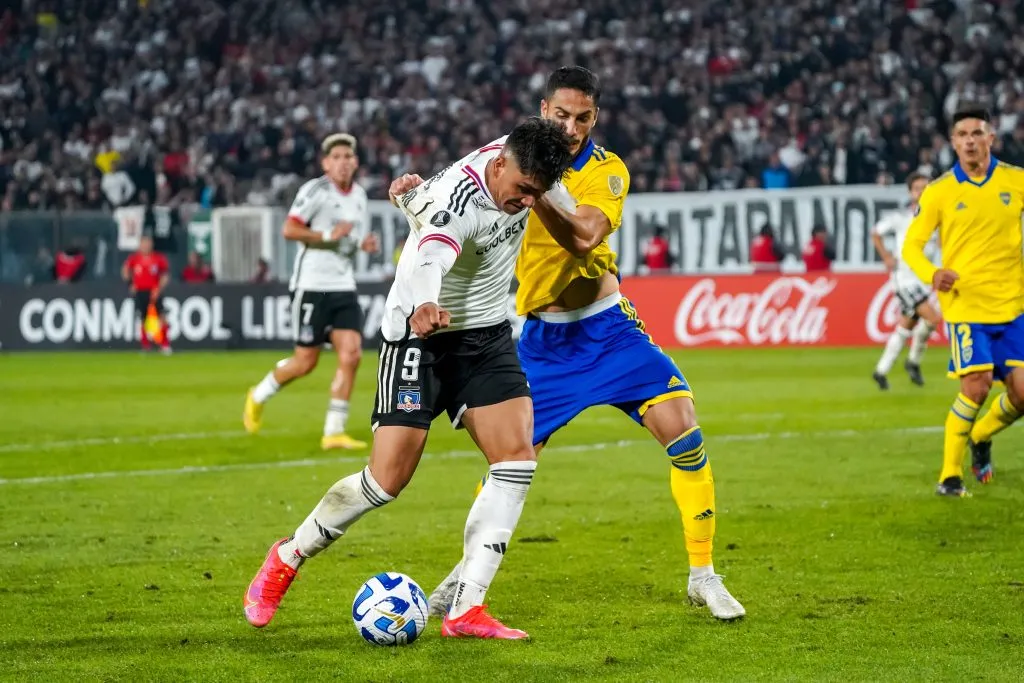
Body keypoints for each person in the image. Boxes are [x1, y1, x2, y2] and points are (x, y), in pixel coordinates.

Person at [429, 66, 745, 621]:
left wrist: (539, 187)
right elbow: (453, 208)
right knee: (510, 463)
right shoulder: (505, 158)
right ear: (541, 108)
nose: (572, 127)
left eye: (583, 117)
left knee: (685, 432)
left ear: (595, 117)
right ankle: (463, 577)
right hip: (544, 343)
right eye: (561, 115)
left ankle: (704, 575)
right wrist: (416, 198)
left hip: (609, 329)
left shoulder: (606, 170)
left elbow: (583, 238)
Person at [242, 118, 575, 639]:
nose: (528, 203)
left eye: (538, 193)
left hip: (484, 337)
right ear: (500, 163)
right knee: (385, 481)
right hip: (418, 335)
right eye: (522, 190)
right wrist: (425, 301)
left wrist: (409, 199)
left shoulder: (530, 166)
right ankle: (287, 555)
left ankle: (466, 610)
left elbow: (564, 214)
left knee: (516, 460)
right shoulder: (458, 198)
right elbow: (430, 254)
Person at [902, 104, 1024, 496]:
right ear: (953, 143)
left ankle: (982, 436)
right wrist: (933, 274)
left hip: (1013, 306)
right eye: (962, 135)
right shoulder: (939, 192)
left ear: (991, 137)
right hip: (966, 307)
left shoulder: (1015, 181)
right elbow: (912, 246)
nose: (970, 141)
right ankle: (949, 476)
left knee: (1022, 395)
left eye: (977, 133)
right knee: (977, 384)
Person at [243, 134, 378, 450]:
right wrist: (329, 234)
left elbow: (349, 238)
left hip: (343, 285)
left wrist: (362, 244)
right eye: (337, 157)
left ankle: (333, 431)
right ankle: (258, 394)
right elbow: (290, 229)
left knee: (352, 354)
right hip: (312, 286)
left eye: (348, 156)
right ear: (326, 163)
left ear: (355, 162)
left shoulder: (358, 195)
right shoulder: (315, 191)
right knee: (306, 362)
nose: (343, 162)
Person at [870, 172, 943, 389]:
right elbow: (876, 232)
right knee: (932, 318)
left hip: (922, 279)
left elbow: (939, 245)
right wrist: (886, 256)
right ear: (910, 193)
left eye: (925, 187)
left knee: (906, 325)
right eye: (917, 188)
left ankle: (881, 371)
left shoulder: (935, 218)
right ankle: (913, 362)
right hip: (904, 278)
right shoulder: (901, 218)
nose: (921, 191)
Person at [122, 234, 171, 354]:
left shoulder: (158, 258)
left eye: (148, 243)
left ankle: (164, 344)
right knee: (143, 318)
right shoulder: (134, 258)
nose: (145, 246)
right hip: (140, 291)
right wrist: (130, 284)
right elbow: (125, 270)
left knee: (162, 317)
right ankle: (145, 345)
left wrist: (159, 288)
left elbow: (165, 275)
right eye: (143, 243)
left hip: (154, 291)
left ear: (151, 245)